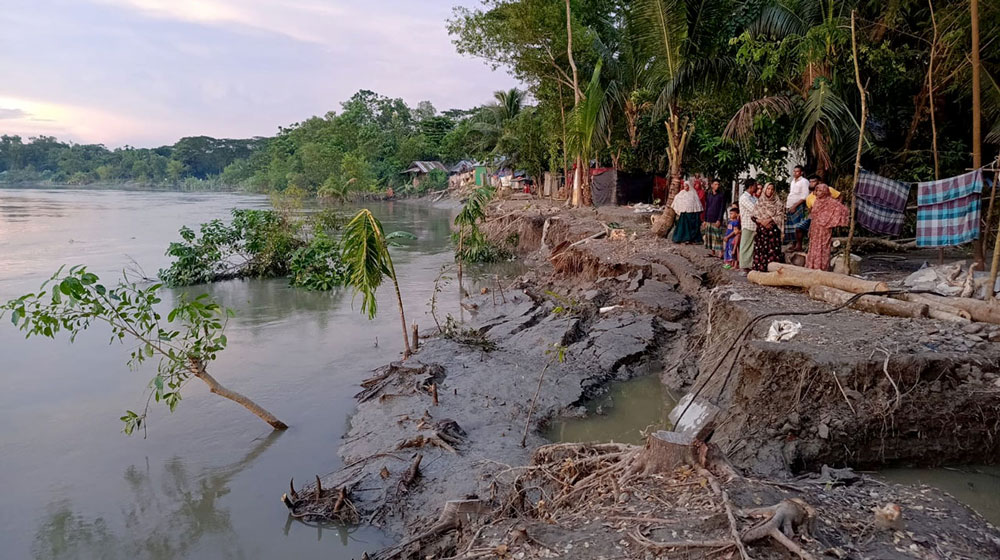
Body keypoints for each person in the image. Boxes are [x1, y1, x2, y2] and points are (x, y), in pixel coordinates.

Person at [805, 183, 850, 271]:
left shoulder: (831, 202)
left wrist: (831, 220)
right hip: (815, 227)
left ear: (825, 191)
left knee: (823, 246)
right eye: (817, 191)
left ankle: (822, 267)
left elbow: (843, 210)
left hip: (824, 229)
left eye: (821, 191)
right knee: (814, 246)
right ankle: (812, 266)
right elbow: (812, 214)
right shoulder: (816, 201)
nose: (818, 193)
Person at [752, 182, 786, 272]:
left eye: (772, 189)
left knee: (773, 252)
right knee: (761, 251)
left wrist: (769, 220)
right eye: (768, 189)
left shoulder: (778, 203)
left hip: (773, 232)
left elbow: (781, 216)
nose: (770, 191)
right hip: (761, 232)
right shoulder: (760, 202)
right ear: (764, 189)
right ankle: (760, 270)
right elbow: (753, 216)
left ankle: (772, 272)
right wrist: (761, 221)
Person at [785, 165, 810, 251]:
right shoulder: (792, 181)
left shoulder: (804, 181)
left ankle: (799, 245)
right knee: (791, 227)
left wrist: (795, 206)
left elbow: (804, 196)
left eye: (797, 171)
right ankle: (793, 244)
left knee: (797, 227)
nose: (795, 173)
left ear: (801, 172)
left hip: (798, 206)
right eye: (794, 171)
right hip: (789, 205)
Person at [738, 179, 760, 272]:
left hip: (754, 225)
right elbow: (754, 209)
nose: (757, 187)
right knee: (746, 246)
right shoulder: (744, 198)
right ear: (751, 187)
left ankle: (750, 265)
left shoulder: (753, 198)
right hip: (748, 225)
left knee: (752, 247)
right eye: (755, 186)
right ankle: (744, 267)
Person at [702, 179, 726, 257]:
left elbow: (722, 208)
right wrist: (705, 219)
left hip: (716, 218)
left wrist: (719, 219)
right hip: (709, 217)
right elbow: (707, 207)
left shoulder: (721, 196)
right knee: (710, 236)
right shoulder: (709, 195)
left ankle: (721, 252)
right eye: (715, 184)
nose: (717, 186)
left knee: (718, 236)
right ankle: (713, 252)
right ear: (712, 185)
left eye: (718, 184)